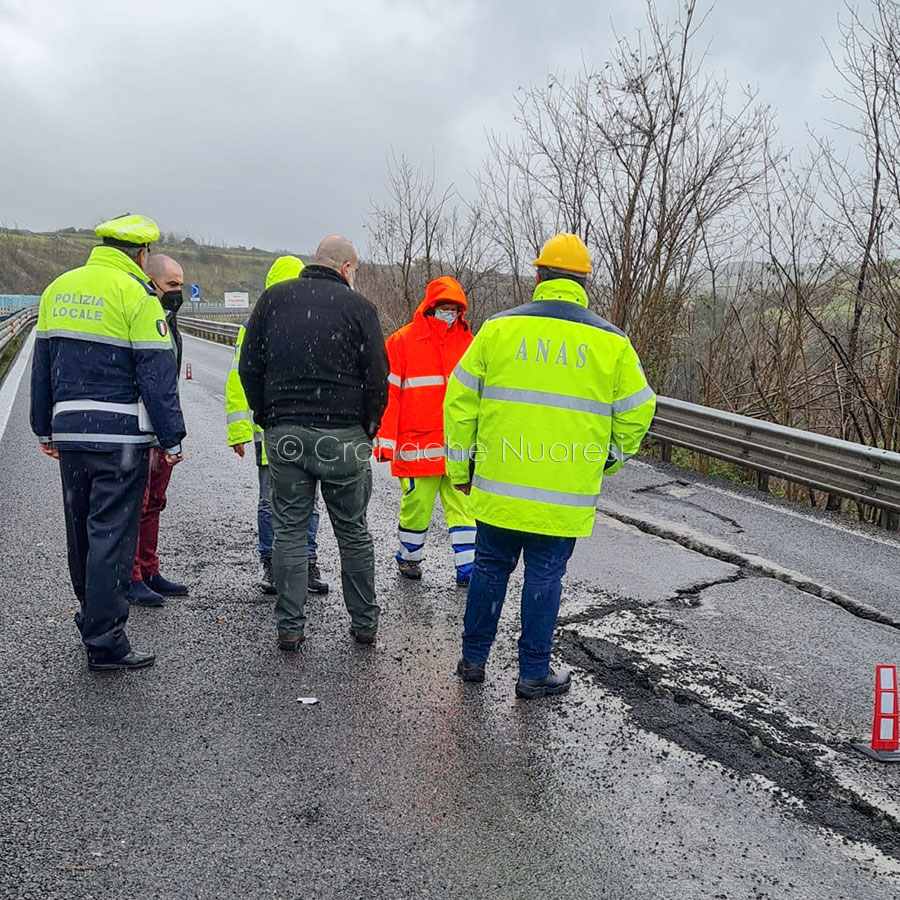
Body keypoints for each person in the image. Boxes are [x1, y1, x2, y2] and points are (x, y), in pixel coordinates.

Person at [444, 233, 655, 698]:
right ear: (585, 282)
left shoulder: (498, 330)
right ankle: (533, 672)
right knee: (545, 577)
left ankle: (473, 660)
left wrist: (461, 469)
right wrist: (606, 462)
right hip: (563, 493)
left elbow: (458, 403)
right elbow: (640, 409)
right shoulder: (611, 343)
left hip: (499, 486)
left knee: (489, 568)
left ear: (537, 277)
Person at [30, 214, 185, 671]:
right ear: (141, 255)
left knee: (80, 531)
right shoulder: (135, 294)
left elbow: (43, 363)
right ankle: (105, 640)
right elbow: (157, 375)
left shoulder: (58, 289)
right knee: (112, 535)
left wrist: (44, 426)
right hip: (120, 438)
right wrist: (172, 436)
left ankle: (90, 615)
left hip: (71, 434)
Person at [239, 235, 388, 650]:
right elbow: (378, 375)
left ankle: (290, 626)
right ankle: (364, 624)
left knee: (288, 529)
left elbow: (249, 365)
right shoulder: (359, 308)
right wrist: (368, 428)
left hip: (286, 433)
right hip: (343, 437)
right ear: (346, 268)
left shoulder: (274, 300)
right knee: (353, 532)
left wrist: (266, 415)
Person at [225, 255, 329, 596]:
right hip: (270, 431)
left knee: (306, 501)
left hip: (309, 430)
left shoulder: (318, 323)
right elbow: (239, 380)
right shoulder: (256, 325)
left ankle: (306, 562)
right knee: (271, 500)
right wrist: (240, 430)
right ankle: (272, 564)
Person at [374, 276, 476, 585]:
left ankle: (468, 568)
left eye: (454, 308)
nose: (449, 312)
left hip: (458, 449)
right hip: (417, 446)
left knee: (464, 509)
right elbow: (388, 396)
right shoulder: (402, 342)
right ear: (430, 307)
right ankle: (409, 558)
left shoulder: (470, 344)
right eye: (444, 307)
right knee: (416, 509)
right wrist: (385, 442)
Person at [129, 254, 189, 606]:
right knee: (137, 503)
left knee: (154, 502)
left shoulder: (170, 322)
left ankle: (149, 570)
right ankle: (133, 575)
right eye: (172, 285)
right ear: (151, 282)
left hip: (160, 427)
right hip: (140, 427)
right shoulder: (142, 315)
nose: (178, 292)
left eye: (181, 284)